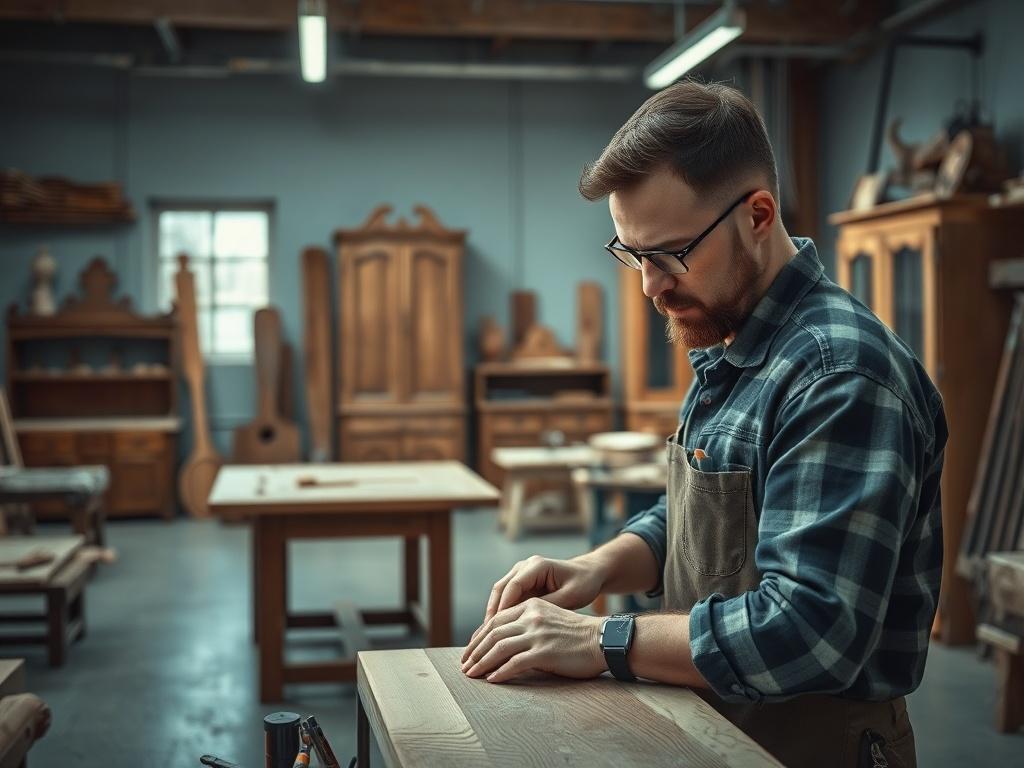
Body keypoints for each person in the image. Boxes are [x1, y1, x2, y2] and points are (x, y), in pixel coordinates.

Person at [460, 79, 946, 768]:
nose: (649, 286)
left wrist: (601, 640)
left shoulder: (840, 376)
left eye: (669, 254)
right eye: (631, 254)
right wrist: (596, 567)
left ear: (757, 214)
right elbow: (712, 513)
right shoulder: (738, 343)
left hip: (811, 745)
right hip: (714, 720)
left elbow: (810, 634)